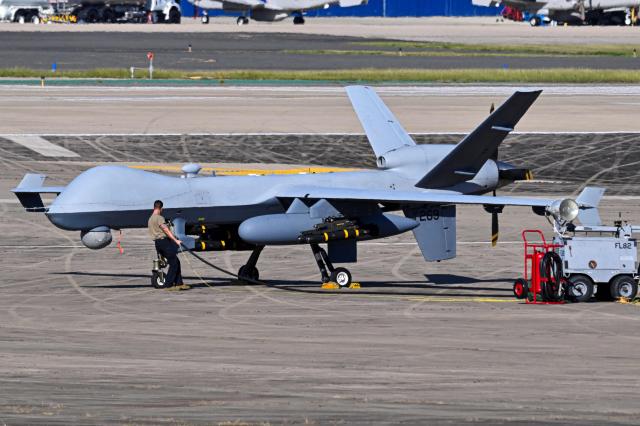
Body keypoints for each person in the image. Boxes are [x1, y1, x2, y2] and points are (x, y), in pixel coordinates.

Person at [148, 200, 188, 290]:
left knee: (176, 262)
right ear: (161, 208)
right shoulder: (159, 218)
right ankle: (168, 284)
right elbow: (165, 230)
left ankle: (179, 283)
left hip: (157, 243)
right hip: (164, 242)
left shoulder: (150, 219)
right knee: (174, 263)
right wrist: (175, 240)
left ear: (154, 207)